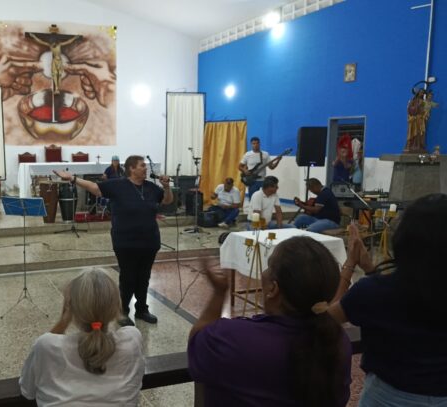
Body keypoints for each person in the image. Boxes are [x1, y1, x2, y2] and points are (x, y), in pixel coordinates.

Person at [188, 237, 352, 406]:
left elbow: (197, 340)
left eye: (269, 265)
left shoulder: (234, 339)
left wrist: (219, 293)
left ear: (273, 289)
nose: (263, 272)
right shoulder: (338, 341)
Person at [329, 194, 447, 406]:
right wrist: (369, 268)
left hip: (388, 398)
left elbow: (325, 320)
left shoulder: (374, 293)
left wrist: (350, 264)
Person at [54, 155, 173, 326]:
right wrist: (72, 178)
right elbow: (95, 188)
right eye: (142, 166)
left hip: (149, 240)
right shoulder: (118, 185)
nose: (146, 169)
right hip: (125, 241)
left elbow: (167, 200)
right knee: (128, 277)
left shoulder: (151, 188)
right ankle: (122, 311)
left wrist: (167, 187)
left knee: (144, 276)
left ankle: (141, 309)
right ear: (131, 168)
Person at [19, 268, 145, 406]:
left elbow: (27, 391)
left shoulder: (46, 346)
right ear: (116, 307)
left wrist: (63, 321)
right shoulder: (132, 340)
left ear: (69, 307)